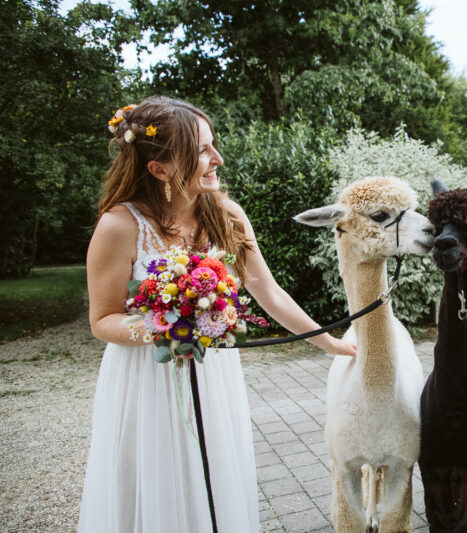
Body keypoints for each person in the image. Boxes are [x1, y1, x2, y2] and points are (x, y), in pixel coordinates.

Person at [78, 96, 356, 532]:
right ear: (160, 169)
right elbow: (103, 320)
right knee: (159, 481)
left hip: (212, 376)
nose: (217, 159)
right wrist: (166, 325)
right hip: (146, 379)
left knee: (214, 477)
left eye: (213, 145)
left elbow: (267, 290)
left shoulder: (227, 214)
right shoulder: (120, 226)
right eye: (202, 150)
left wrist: (330, 342)